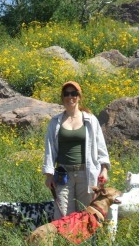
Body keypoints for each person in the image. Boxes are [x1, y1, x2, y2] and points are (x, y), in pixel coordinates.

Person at [42, 81, 110, 220]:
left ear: (79, 96)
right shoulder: (55, 122)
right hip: (63, 175)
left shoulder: (90, 120)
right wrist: (49, 175)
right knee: (62, 214)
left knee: (86, 214)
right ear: (62, 97)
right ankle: (65, 242)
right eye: (66, 94)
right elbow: (49, 149)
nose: (70, 97)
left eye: (73, 93)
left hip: (86, 173)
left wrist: (104, 169)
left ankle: (87, 242)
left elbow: (100, 146)